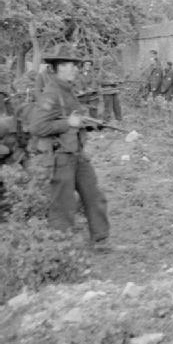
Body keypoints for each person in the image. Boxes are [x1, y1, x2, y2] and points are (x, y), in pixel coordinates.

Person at [28, 44, 111, 252]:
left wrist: (87, 123)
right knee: (63, 206)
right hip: (61, 158)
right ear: (57, 68)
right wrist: (68, 124)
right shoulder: (51, 93)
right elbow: (37, 126)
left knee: (94, 196)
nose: (75, 69)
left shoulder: (67, 91)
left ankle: (100, 240)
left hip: (78, 155)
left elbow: (72, 118)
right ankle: (61, 250)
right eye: (69, 65)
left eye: (75, 65)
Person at [98, 56, 123, 122]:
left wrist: (119, 81)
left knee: (117, 106)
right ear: (105, 64)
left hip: (114, 91)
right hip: (107, 92)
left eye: (111, 63)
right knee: (108, 107)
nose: (110, 65)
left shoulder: (111, 72)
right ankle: (106, 121)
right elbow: (100, 81)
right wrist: (110, 82)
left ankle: (119, 119)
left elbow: (116, 78)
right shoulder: (102, 72)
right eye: (109, 63)